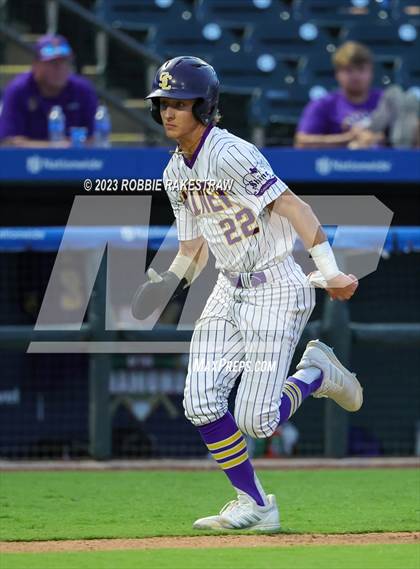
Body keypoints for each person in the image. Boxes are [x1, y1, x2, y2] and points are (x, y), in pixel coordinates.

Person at [132, 56, 363, 531]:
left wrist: (331, 269)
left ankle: (316, 375)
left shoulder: (231, 152)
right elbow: (193, 247)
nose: (170, 112)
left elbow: (293, 205)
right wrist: (161, 283)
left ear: (204, 105)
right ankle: (256, 504)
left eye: (180, 103)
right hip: (227, 287)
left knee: (257, 420)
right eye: (164, 104)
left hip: (276, 283)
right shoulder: (175, 171)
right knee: (199, 401)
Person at [0, 34, 98, 147]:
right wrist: (55, 149)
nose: (59, 69)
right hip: (29, 162)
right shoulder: (18, 90)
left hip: (78, 162)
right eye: (52, 63)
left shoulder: (82, 89)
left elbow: (96, 138)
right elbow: (10, 142)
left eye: (64, 62)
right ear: (36, 65)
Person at [294, 41, 384, 149]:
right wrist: (348, 138)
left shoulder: (385, 101)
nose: (356, 76)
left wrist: (379, 137)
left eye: (361, 69)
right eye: (348, 70)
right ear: (337, 73)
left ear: (371, 72)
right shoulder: (323, 104)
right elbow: (302, 141)